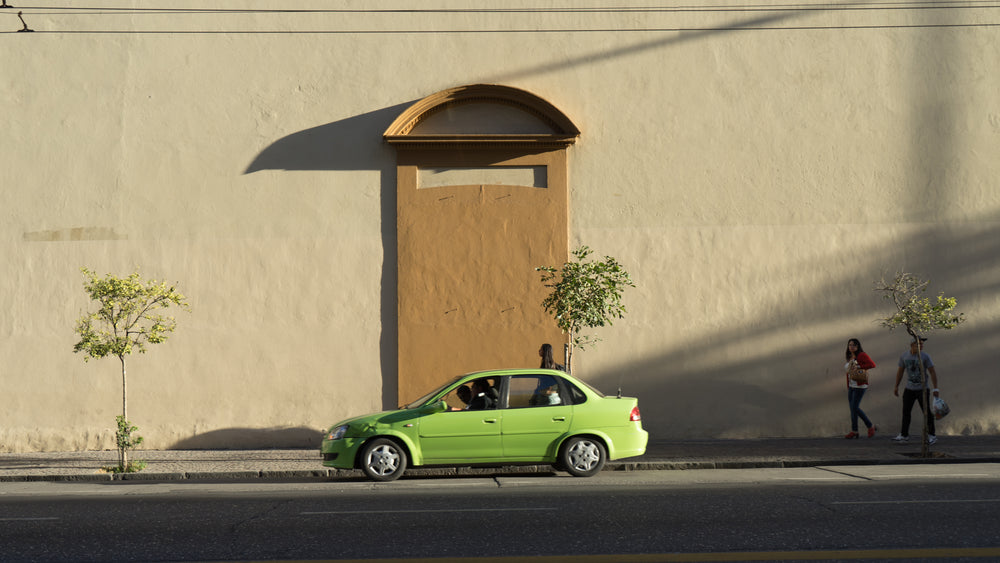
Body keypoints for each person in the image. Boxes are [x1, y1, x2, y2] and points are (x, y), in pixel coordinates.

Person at [893, 337, 940, 444]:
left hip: (922, 389)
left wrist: (935, 388)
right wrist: (896, 386)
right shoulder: (904, 356)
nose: (921, 346)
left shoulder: (925, 356)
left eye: (922, 344)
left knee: (926, 412)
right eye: (918, 344)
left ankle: (932, 435)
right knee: (906, 412)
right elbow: (900, 372)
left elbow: (932, 372)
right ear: (912, 345)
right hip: (909, 389)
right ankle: (904, 435)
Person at [843, 338, 877, 439]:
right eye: (850, 345)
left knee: (854, 408)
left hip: (860, 385)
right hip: (852, 386)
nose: (851, 347)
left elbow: (872, 364)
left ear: (858, 346)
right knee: (853, 409)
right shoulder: (850, 356)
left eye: (854, 345)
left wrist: (859, 367)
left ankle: (870, 426)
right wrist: (849, 385)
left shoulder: (862, 355)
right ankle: (855, 431)